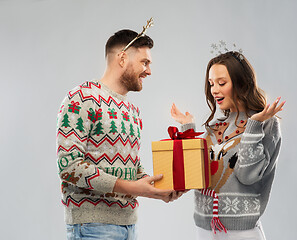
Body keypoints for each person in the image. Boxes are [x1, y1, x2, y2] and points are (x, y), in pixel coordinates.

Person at [56, 28, 178, 240]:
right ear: (122, 58)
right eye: (144, 62)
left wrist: (157, 188)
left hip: (130, 225)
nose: (149, 71)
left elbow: (131, 168)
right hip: (92, 228)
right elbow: (69, 166)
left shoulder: (132, 111)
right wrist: (135, 188)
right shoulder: (81, 98)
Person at [171, 50, 285, 240]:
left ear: (241, 82)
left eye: (221, 83)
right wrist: (188, 129)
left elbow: (247, 176)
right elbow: (194, 174)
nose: (214, 90)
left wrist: (253, 125)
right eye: (211, 84)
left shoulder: (267, 124)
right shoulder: (214, 127)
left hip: (242, 233)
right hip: (204, 230)